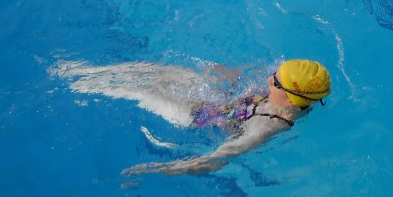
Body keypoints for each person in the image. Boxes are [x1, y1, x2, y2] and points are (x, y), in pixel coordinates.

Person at [54, 58, 331, 176]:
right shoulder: (289, 98)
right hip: (214, 99)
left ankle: (75, 81)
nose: (269, 77)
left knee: (136, 88)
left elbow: (219, 158)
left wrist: (161, 169)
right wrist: (226, 73)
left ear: (288, 95)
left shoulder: (267, 126)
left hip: (194, 118)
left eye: (276, 79)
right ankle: (85, 70)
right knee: (164, 72)